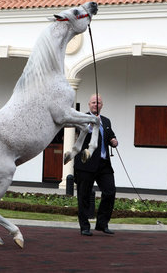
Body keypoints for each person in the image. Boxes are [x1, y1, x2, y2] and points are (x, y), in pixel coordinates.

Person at [74, 94, 118, 236]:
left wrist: (113, 140)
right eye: (93, 102)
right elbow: (81, 131)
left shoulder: (106, 121)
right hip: (86, 163)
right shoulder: (83, 119)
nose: (96, 104)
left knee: (110, 192)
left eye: (98, 102)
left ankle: (102, 224)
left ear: (102, 105)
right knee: (84, 195)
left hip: (104, 164)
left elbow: (110, 135)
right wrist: (92, 123)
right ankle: (85, 226)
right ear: (89, 105)